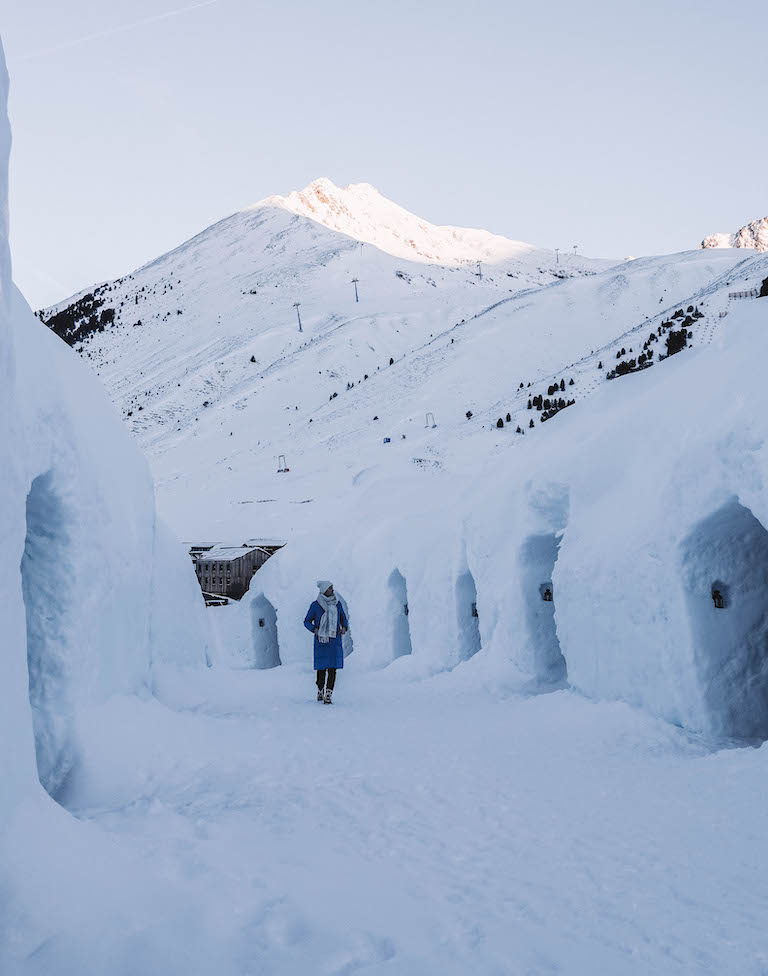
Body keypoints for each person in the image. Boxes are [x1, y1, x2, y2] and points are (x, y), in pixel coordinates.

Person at [304, 580, 348, 704]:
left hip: (334, 641)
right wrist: (314, 629)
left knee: (333, 669)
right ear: (324, 590)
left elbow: (343, 619)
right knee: (321, 669)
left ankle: (328, 694)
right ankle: (320, 690)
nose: (332, 590)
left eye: (332, 588)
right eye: (330, 588)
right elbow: (306, 621)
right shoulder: (315, 605)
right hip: (321, 642)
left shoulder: (337, 604)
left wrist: (344, 627)